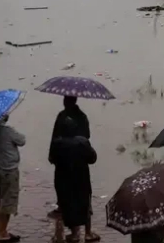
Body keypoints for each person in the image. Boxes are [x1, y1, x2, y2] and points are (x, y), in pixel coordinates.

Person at [50, 96, 99, 243]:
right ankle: (88, 232)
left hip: (63, 175)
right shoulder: (82, 140)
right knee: (84, 201)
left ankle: (74, 233)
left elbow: (52, 156)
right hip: (81, 175)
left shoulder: (58, 141)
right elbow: (92, 158)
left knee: (66, 202)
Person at [0, 114, 25, 243]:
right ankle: (2, 233)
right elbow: (22, 140)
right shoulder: (8, 131)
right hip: (8, 170)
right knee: (7, 202)